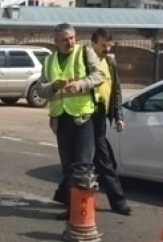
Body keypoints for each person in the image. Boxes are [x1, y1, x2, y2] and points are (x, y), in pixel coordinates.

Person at [37, 23, 104, 219]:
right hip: (61, 119)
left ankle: (81, 210)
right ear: (56, 42)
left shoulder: (85, 52)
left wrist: (82, 84)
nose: (70, 42)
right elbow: (40, 90)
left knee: (83, 166)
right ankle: (72, 204)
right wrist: (53, 86)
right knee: (68, 167)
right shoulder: (49, 60)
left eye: (72, 38)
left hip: (82, 117)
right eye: (65, 39)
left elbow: (99, 75)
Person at [90, 28, 132, 215]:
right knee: (104, 161)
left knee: (93, 160)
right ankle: (118, 202)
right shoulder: (86, 62)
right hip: (87, 116)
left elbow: (116, 90)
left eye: (109, 45)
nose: (107, 49)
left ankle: (64, 195)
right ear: (93, 45)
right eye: (103, 45)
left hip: (101, 117)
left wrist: (118, 116)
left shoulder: (110, 63)